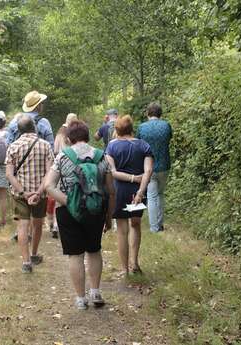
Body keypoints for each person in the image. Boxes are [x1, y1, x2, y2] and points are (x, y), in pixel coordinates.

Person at [45, 120, 115, 310]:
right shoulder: (102, 157)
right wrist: (109, 218)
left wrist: (68, 201)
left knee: (75, 255)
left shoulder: (62, 157)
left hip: (69, 212)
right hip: (95, 209)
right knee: (94, 250)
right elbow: (110, 190)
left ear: (69, 139)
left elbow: (48, 186)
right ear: (87, 136)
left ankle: (80, 299)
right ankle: (96, 292)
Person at [105, 115, 153, 276]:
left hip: (119, 191)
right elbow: (148, 171)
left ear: (117, 130)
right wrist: (140, 190)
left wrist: (130, 178)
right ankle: (135, 263)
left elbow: (113, 173)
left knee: (122, 230)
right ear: (132, 128)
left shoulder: (111, 147)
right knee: (136, 224)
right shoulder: (144, 146)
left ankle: (124, 269)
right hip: (137, 192)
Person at [5, 115, 54, 273]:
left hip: (20, 195)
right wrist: (39, 192)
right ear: (34, 127)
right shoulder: (45, 145)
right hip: (40, 194)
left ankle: (26, 263)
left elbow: (9, 175)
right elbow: (50, 173)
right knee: (38, 224)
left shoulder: (13, 147)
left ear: (19, 130)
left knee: (22, 226)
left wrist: (23, 192)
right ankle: (34, 254)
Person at [6, 91, 54, 241]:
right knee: (37, 199)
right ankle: (33, 230)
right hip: (40, 167)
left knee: (19, 197)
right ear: (38, 106)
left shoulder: (15, 122)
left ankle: (22, 228)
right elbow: (51, 148)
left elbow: (9, 145)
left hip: (19, 168)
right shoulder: (44, 123)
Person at [136, 102, 172, 233]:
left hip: (148, 166)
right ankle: (160, 224)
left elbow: (138, 144)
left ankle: (154, 227)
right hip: (164, 165)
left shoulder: (141, 127)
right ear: (160, 113)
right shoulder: (166, 126)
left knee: (151, 196)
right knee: (160, 194)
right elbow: (169, 139)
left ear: (148, 114)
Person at [46, 113, 79, 238]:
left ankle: (55, 225)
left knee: (58, 196)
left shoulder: (60, 132)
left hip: (60, 166)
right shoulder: (77, 133)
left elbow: (54, 149)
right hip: (74, 167)